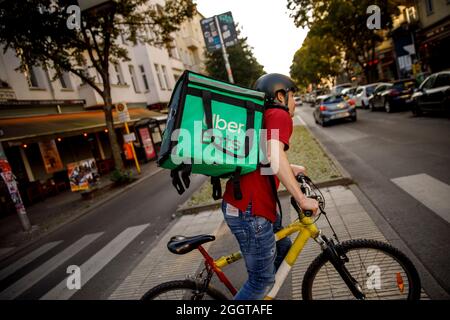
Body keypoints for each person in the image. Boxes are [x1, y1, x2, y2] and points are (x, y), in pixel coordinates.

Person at [221, 73, 319, 300]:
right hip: (250, 212)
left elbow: (262, 156)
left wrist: (289, 167)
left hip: (250, 206)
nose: (295, 100)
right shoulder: (279, 114)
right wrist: (302, 199)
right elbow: (274, 153)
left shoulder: (262, 116)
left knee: (282, 249)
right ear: (280, 95)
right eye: (293, 95)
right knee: (261, 281)